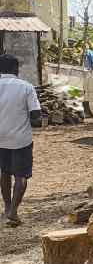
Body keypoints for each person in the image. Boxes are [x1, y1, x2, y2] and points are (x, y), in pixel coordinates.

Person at [0, 54, 41, 227]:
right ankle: (14, 211)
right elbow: (36, 116)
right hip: (20, 139)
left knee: (4, 173)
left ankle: (7, 206)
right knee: (21, 176)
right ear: (17, 69)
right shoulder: (26, 87)